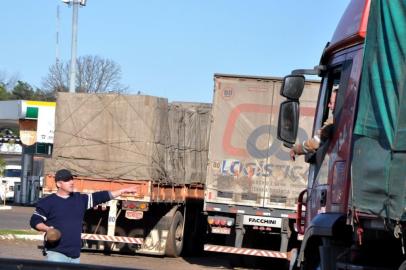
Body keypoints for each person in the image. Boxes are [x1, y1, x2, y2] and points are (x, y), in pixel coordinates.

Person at [29, 169, 138, 263]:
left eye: (72, 179)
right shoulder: (48, 202)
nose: (71, 182)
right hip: (56, 254)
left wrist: (122, 191)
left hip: (75, 255)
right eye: (67, 180)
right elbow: (35, 220)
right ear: (58, 184)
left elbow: (101, 196)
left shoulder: (79, 199)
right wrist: (47, 228)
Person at [290, 85, 338, 161]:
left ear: (338, 104)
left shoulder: (334, 121)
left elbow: (315, 143)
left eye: (331, 102)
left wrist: (296, 149)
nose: (328, 105)